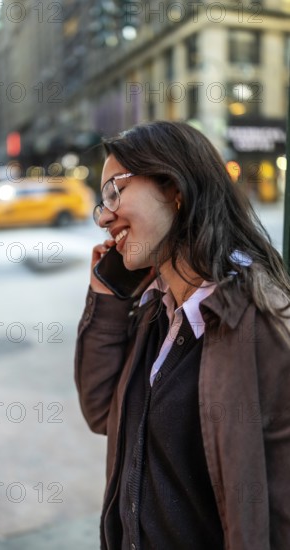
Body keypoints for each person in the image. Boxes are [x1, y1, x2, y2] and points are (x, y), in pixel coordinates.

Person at [74, 121, 290, 550]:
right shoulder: (157, 307)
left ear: (174, 187)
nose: (103, 216)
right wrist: (107, 295)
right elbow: (102, 410)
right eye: (102, 202)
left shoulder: (259, 318)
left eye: (115, 191)